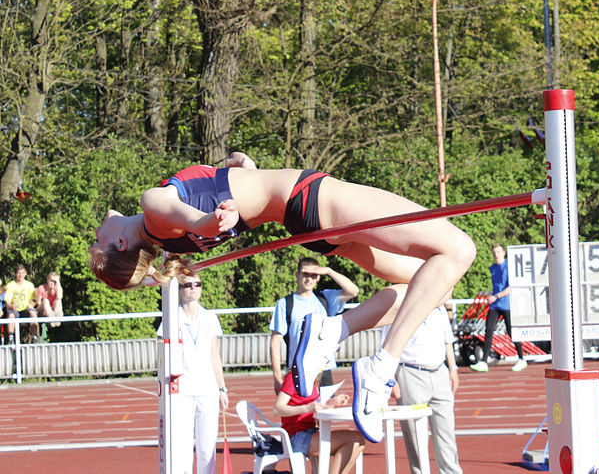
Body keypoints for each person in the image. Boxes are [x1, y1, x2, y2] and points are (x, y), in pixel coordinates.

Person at [90, 151, 476, 443]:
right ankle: (381, 367)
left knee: (437, 286)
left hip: (307, 220)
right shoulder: (154, 209)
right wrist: (203, 221)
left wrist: (243, 172)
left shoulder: (174, 242)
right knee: (459, 250)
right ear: (121, 242)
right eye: (99, 242)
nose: (97, 233)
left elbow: (238, 197)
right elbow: (172, 204)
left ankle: (333, 331)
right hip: (312, 198)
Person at [156, 266, 229, 474]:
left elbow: (215, 355)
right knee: (183, 447)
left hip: (207, 389)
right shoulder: (172, 318)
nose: (193, 288)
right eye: (188, 285)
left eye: (197, 284)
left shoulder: (210, 318)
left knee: (207, 449)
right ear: (180, 290)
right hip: (182, 392)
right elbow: (164, 356)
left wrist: (222, 389)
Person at [382, 305, 463, 474]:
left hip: (439, 372)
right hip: (411, 373)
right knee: (415, 437)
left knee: (446, 433)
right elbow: (387, 346)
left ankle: (451, 471)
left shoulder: (439, 309)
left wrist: (453, 368)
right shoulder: (399, 308)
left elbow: (448, 340)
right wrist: (391, 379)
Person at [270, 257, 359, 393]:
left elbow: (353, 291)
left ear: (318, 278)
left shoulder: (326, 299)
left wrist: (329, 271)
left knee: (325, 411)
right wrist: (276, 375)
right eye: (305, 274)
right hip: (298, 370)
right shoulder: (285, 304)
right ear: (297, 275)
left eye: (313, 275)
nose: (309, 279)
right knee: (300, 413)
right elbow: (275, 340)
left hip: (324, 369)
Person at [273, 371, 364, 474]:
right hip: (296, 437)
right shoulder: (294, 378)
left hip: (310, 432)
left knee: (359, 441)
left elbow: (315, 412)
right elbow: (277, 409)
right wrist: (306, 408)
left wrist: (329, 404)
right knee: (354, 439)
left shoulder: (312, 380)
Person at [470, 243, 527, 373]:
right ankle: (484, 361)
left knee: (512, 331)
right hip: (495, 304)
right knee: (488, 331)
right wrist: (493, 296)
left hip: (506, 303)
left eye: (498, 251)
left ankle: (521, 358)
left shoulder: (509, 267)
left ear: (503, 253)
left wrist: (496, 296)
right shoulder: (493, 268)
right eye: (494, 252)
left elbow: (511, 287)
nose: (496, 254)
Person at [4, 264, 39, 342]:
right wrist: (11, 306)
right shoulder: (11, 285)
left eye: (22, 273)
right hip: (15, 309)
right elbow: (7, 302)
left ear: (25, 273)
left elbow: (34, 300)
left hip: (25, 309)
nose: (20, 275)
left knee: (33, 313)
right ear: (15, 274)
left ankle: (34, 336)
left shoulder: (29, 285)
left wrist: (31, 305)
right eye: (19, 273)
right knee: (11, 315)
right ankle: (11, 337)